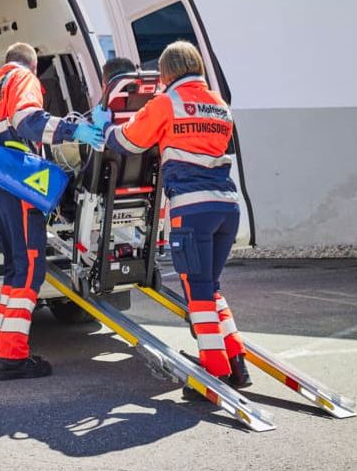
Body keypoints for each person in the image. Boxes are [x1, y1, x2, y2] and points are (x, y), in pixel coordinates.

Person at [95, 42, 250, 390]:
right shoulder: (219, 105)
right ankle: (236, 362)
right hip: (227, 206)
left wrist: (104, 128)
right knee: (211, 287)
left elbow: (129, 141)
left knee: (197, 292)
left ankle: (215, 372)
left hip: (192, 211)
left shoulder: (167, 102)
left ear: (166, 73)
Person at [0, 42, 104, 380]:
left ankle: (7, 352)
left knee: (15, 270)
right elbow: (28, 120)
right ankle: (13, 359)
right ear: (32, 66)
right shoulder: (23, 79)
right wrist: (71, 129)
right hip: (15, 185)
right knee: (30, 269)